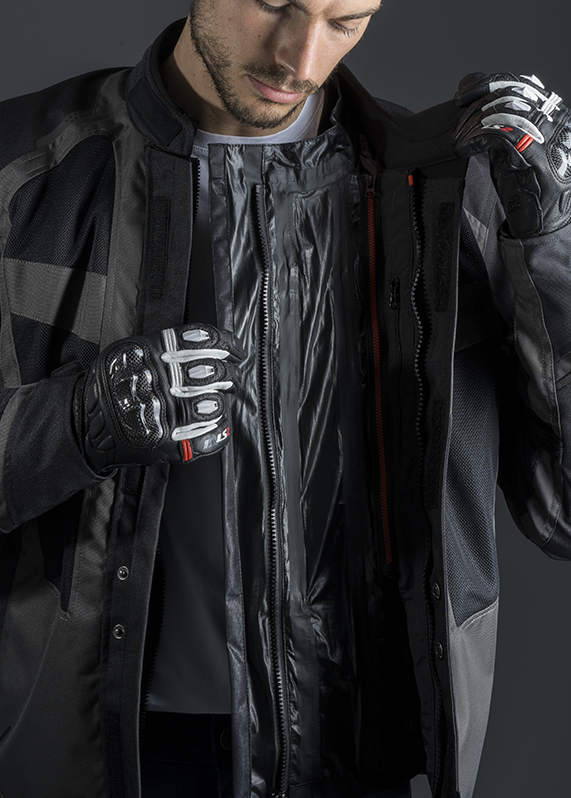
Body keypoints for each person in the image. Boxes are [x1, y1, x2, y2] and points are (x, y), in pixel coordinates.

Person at [0, 1, 570, 797]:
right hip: (101, 752)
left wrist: (550, 245)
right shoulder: (23, 172)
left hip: (353, 748)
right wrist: (78, 423)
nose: (299, 60)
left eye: (345, 19)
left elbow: (560, 513)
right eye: (275, 4)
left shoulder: (446, 190)